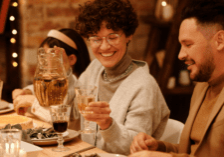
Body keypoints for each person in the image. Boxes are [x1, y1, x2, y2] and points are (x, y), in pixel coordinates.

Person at [73, 0, 170, 155]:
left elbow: (135, 149)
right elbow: (71, 109)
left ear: (128, 35)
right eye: (96, 39)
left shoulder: (144, 85)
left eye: (112, 37)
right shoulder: (95, 69)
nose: (104, 46)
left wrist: (107, 124)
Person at [129, 0, 224, 156]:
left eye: (188, 44)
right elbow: (194, 151)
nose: (180, 55)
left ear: (220, 40)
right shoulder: (202, 87)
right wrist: (158, 148)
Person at [12, 28, 91, 130]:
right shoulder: (53, 80)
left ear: (71, 59)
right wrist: (27, 91)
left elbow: (59, 119)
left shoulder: (79, 88)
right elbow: (45, 88)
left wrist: (32, 102)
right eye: (42, 56)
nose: (43, 62)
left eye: (50, 56)